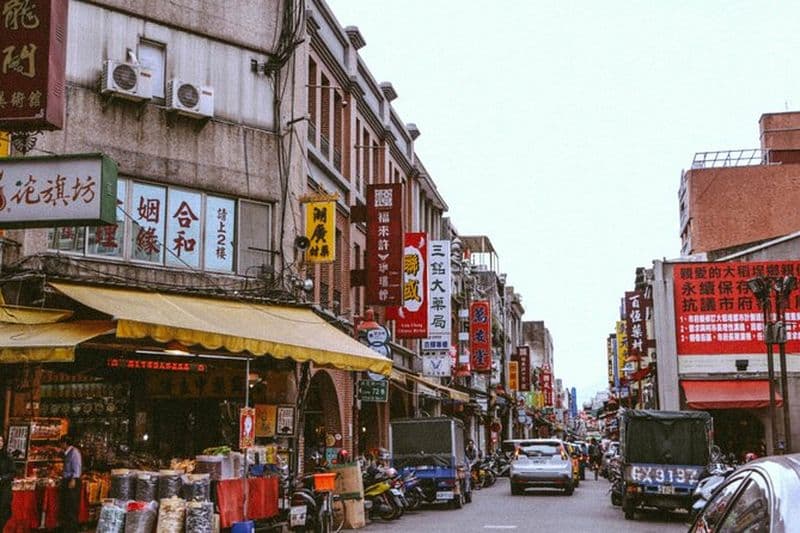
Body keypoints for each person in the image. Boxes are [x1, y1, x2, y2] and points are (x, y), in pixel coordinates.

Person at [60, 435, 82, 533]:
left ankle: (72, 529)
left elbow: (77, 468)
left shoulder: (74, 453)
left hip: (72, 481)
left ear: (65, 443)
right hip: (67, 480)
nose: (60, 445)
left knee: (72, 506)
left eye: (61, 443)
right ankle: (67, 528)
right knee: (66, 506)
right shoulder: (67, 453)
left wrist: (73, 479)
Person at [0, 434, 15, 532]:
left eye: (1, 441)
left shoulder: (7, 456)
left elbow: (13, 473)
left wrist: (2, 478)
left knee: (3, 512)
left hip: (4, 489)